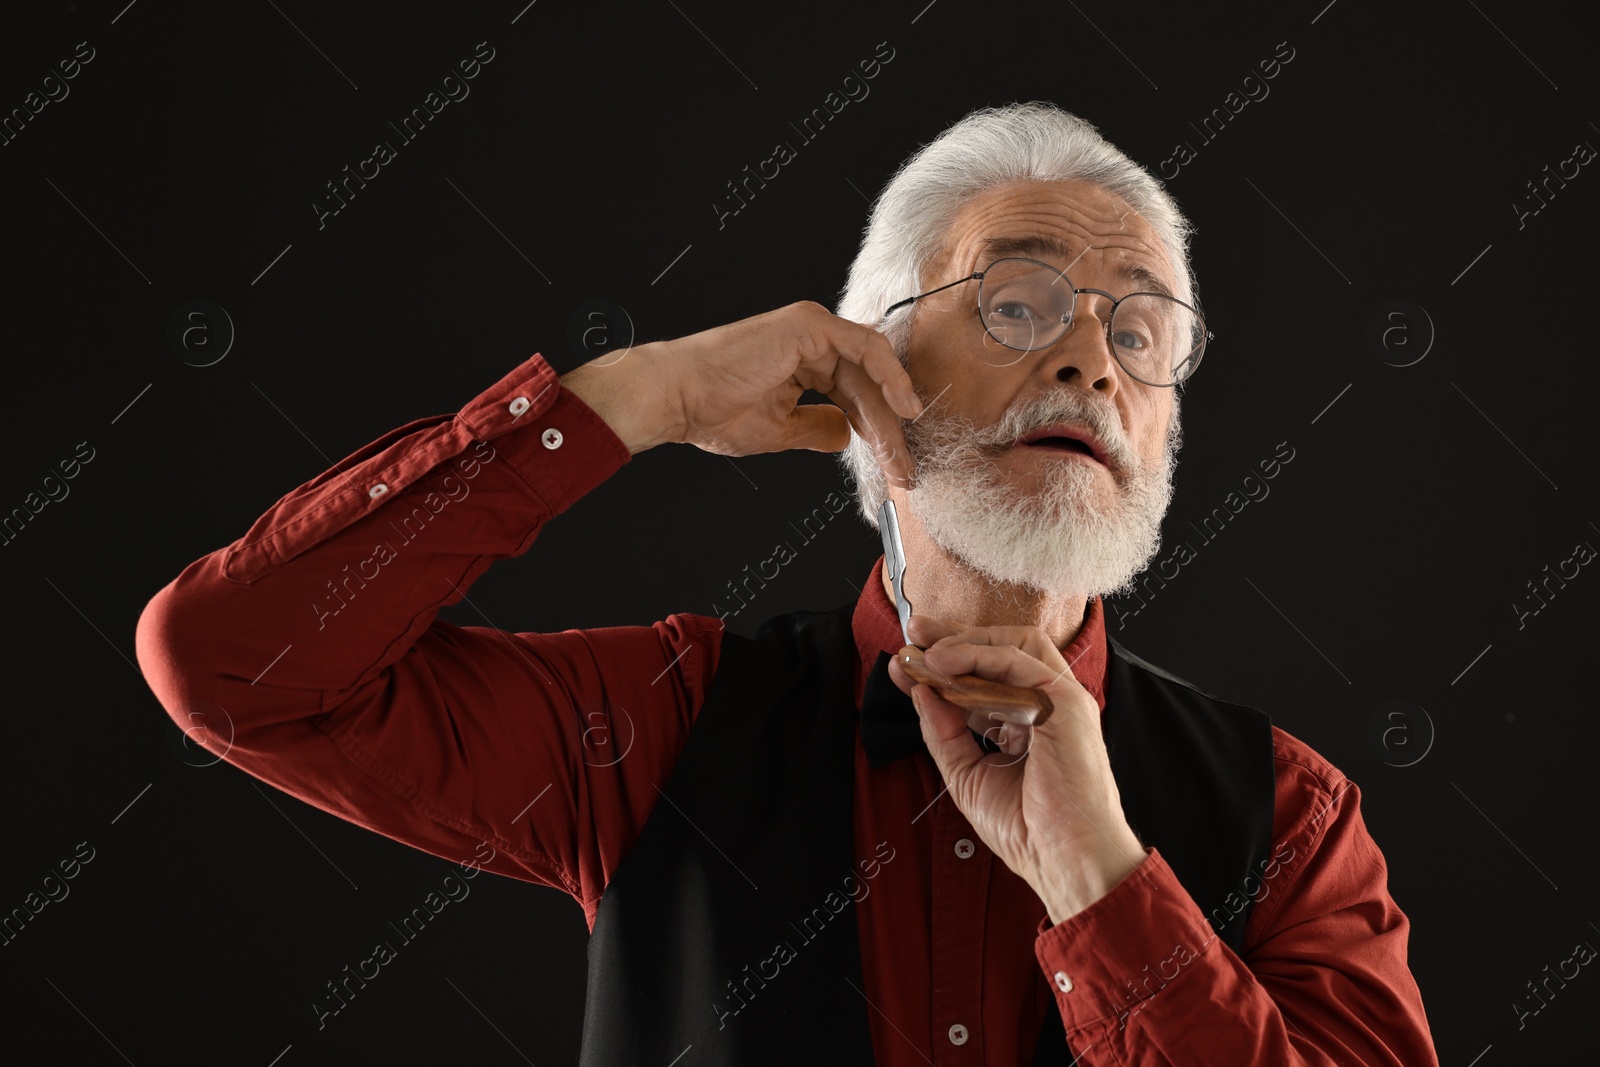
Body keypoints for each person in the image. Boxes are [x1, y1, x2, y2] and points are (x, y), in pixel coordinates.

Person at [135, 101, 1440, 1065]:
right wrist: (633, 398)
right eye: (1021, 303)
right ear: (872, 363)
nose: (1095, 364)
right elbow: (240, 667)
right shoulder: (660, 727)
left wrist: (1101, 880)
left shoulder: (1294, 816)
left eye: (1141, 332)